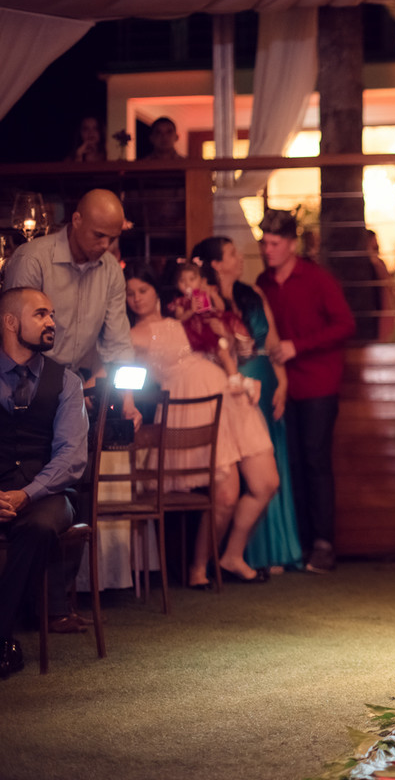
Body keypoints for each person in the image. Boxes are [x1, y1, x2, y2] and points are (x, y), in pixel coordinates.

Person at [125, 265, 278, 587]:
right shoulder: (131, 335)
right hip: (192, 404)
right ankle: (198, 569)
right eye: (130, 293)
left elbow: (225, 345)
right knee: (226, 495)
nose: (136, 298)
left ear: (156, 291)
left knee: (267, 483)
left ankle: (232, 555)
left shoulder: (182, 315)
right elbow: (114, 367)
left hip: (227, 394)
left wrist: (239, 375)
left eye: (142, 290)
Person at [193, 237, 302, 575]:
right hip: (233, 387)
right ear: (215, 264)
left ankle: (263, 552)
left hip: (264, 382)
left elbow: (272, 342)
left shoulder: (252, 294)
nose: (240, 257)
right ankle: (219, 560)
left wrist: (282, 383)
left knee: (270, 470)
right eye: (232, 254)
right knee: (235, 479)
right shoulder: (203, 300)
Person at [255, 210, 355, 574]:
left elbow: (345, 324)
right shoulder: (263, 283)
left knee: (315, 461)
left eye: (274, 243)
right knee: (291, 462)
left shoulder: (317, 279)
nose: (267, 250)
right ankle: (298, 544)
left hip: (317, 384)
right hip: (281, 387)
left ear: (292, 245)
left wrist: (297, 346)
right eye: (264, 243)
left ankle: (323, 544)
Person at [1, 288, 90, 678]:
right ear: (10, 322)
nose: (51, 322)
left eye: (52, 314)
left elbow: (71, 457)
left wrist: (27, 493)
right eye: (40, 314)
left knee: (37, 526)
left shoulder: (66, 381)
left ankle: (1, 634)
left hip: (49, 494)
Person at [1, 189, 141, 429]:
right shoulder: (33, 259)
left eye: (112, 238)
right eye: (98, 235)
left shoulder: (111, 270)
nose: (105, 245)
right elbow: (15, 340)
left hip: (75, 385)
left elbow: (118, 344)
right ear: (77, 220)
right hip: (26, 386)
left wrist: (128, 401)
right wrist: (61, 388)